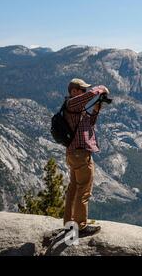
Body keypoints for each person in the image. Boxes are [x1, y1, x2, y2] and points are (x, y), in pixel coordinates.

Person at [63, 78, 109, 236]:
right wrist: (101, 88)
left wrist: (96, 110)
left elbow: (88, 125)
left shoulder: (77, 109)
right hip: (81, 155)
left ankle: (69, 224)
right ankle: (80, 226)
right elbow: (89, 94)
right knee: (83, 191)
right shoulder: (72, 103)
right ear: (74, 91)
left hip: (73, 154)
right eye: (81, 90)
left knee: (74, 189)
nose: (84, 92)